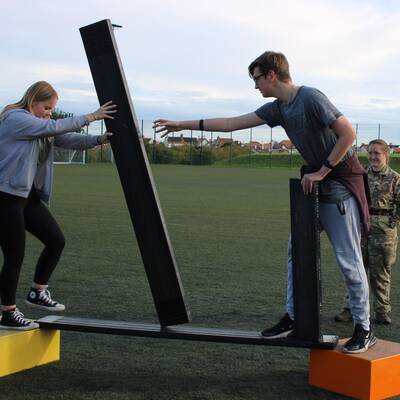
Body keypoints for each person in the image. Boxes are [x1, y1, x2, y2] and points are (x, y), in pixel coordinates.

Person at [153, 51, 376, 353]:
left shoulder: (310, 97)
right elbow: (232, 123)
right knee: (295, 252)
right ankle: (294, 317)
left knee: (348, 261)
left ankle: (364, 327)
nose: (255, 85)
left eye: (256, 78)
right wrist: (183, 125)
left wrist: (323, 170)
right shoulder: (279, 109)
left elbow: (347, 134)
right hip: (314, 186)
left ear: (271, 75)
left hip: (338, 188)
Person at [0, 81, 116, 330]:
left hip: (26, 197)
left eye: (53, 109)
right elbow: (53, 126)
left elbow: (65, 137)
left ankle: (37, 292)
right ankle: (8, 312)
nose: (50, 113)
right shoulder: (16, 118)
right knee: (14, 255)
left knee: (56, 240)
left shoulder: (42, 126)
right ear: (32, 102)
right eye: (47, 107)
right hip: (5, 196)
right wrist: (92, 116)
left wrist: (99, 139)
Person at [335, 139, 400, 325]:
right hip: (361, 229)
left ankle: (382, 311)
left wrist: (390, 223)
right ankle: (350, 309)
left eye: (377, 153)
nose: (372, 156)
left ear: (386, 154)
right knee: (356, 270)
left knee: (381, 273)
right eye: (370, 153)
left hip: (384, 234)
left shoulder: (395, 178)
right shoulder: (361, 175)